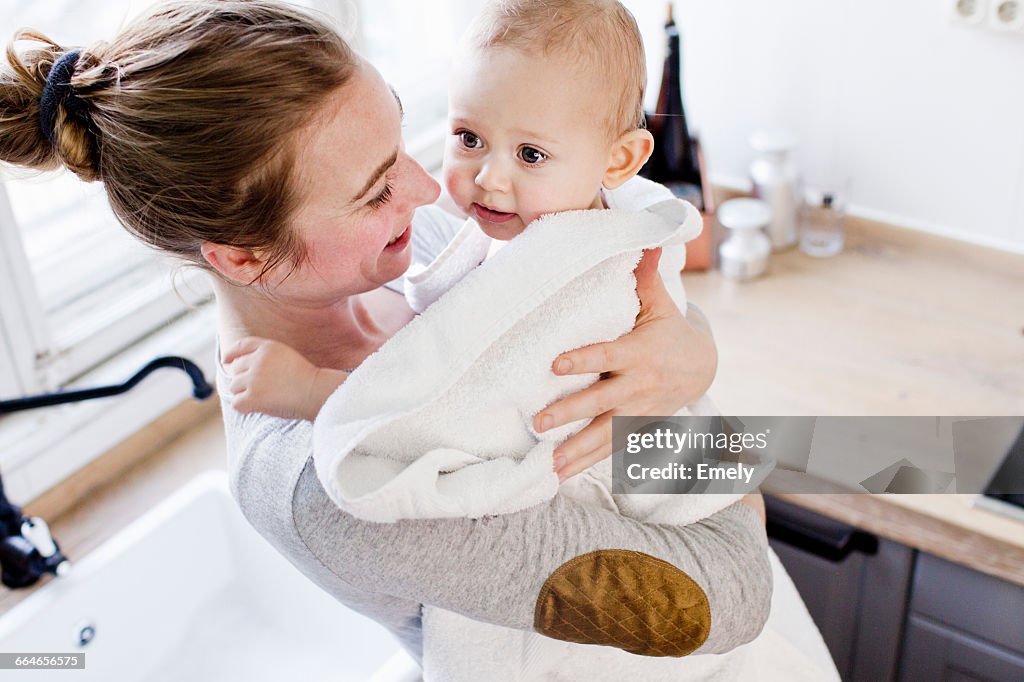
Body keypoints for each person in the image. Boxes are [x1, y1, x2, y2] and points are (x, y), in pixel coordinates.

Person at [0, 0, 778, 671]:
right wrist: (735, 460)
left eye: (406, 142)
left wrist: (689, 348)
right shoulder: (329, 485)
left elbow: (605, 283)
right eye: (377, 190)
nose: (432, 186)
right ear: (242, 256)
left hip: (703, 487)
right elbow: (728, 600)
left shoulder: (427, 240)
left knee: (890, 455)